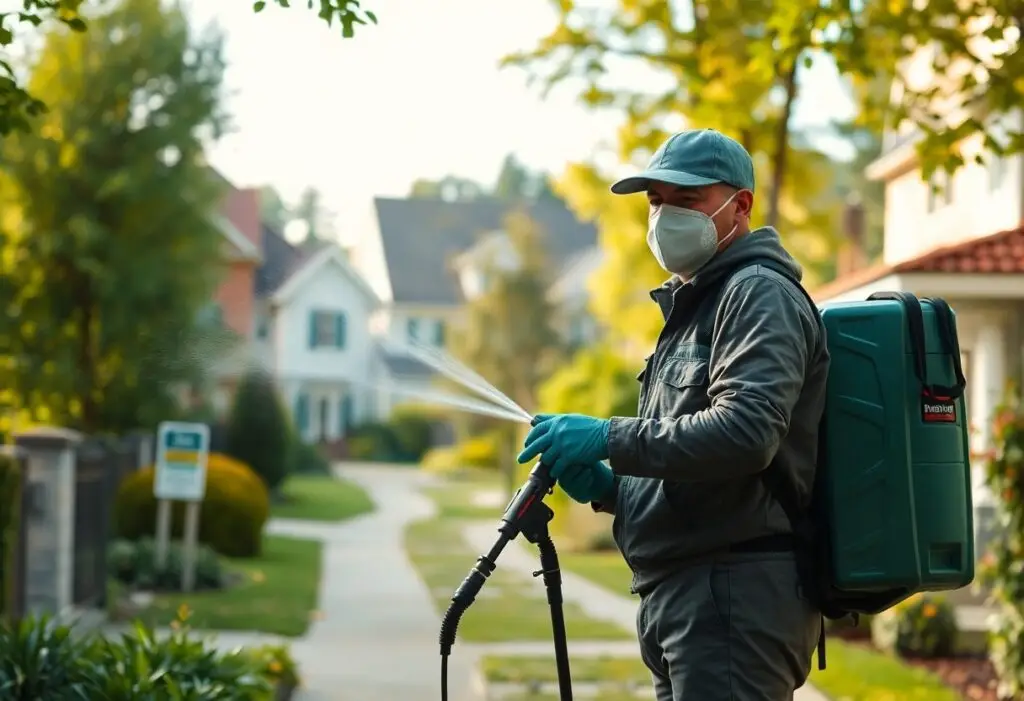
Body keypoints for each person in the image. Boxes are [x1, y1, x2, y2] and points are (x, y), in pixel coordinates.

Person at [518, 128, 831, 701]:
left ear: (741, 206)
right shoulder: (696, 303)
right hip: (688, 599)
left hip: (732, 599)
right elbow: (694, 461)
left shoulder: (757, 294)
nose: (665, 218)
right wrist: (612, 487)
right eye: (656, 202)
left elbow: (747, 434)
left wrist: (608, 436)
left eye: (687, 202)